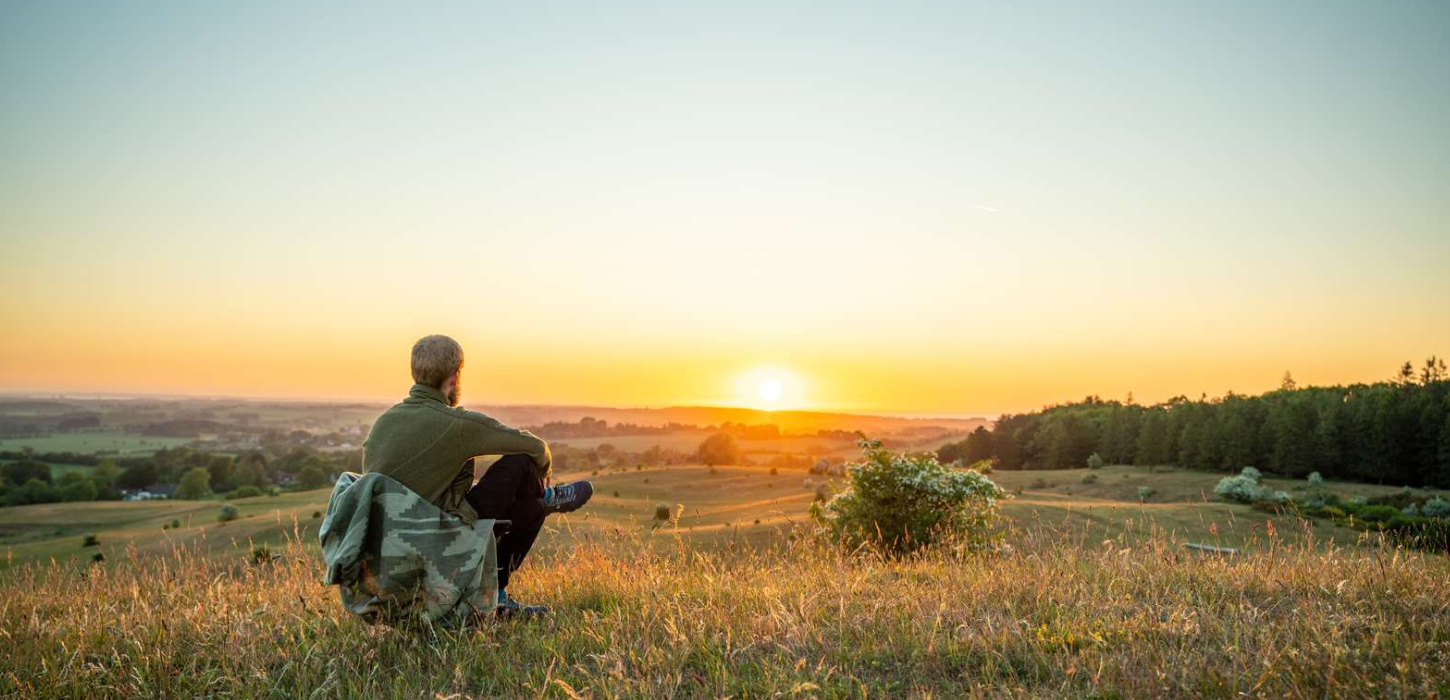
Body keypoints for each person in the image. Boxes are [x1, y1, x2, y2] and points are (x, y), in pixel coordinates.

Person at [362, 334, 592, 617]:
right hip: (438, 540)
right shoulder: (454, 423)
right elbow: (535, 446)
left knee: (531, 508)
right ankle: (547, 498)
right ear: (454, 377)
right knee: (521, 466)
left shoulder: (382, 423)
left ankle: (501, 591)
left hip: (391, 553)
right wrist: (543, 471)